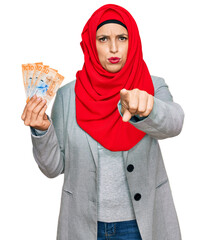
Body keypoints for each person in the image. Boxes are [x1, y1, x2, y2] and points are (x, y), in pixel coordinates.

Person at [21, 4, 185, 240]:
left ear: (133, 41)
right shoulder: (69, 95)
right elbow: (53, 168)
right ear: (91, 43)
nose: (114, 48)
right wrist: (41, 130)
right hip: (84, 225)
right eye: (103, 39)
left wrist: (147, 108)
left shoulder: (151, 85)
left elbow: (174, 123)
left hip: (142, 225)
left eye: (122, 37)